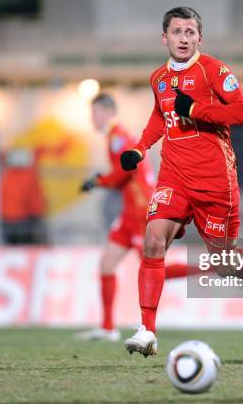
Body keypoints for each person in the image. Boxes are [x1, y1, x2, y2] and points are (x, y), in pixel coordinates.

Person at [119, 7, 243, 357]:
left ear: (199, 38)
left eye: (190, 32)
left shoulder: (213, 71)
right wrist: (140, 147)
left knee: (223, 264)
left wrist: (196, 110)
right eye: (177, 32)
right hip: (174, 176)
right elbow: (159, 117)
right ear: (165, 37)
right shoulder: (158, 78)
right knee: (152, 242)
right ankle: (147, 331)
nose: (183, 38)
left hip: (215, 182)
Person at [75, 93, 190, 342]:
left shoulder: (118, 138)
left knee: (155, 268)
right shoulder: (114, 138)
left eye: (94, 113)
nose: (92, 118)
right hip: (129, 212)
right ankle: (107, 327)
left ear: (107, 112)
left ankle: (212, 267)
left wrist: (98, 181)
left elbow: (123, 173)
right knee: (107, 264)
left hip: (140, 211)